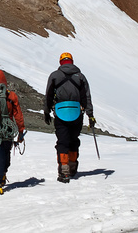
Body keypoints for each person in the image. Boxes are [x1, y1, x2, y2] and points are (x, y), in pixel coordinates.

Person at [44, 52, 95, 183]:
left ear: (61, 62)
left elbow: (49, 95)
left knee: (62, 142)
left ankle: (64, 172)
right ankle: (72, 168)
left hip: (60, 113)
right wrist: (90, 115)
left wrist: (46, 111)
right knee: (73, 140)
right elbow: (86, 97)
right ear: (71, 61)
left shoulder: (54, 76)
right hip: (77, 113)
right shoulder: (81, 77)